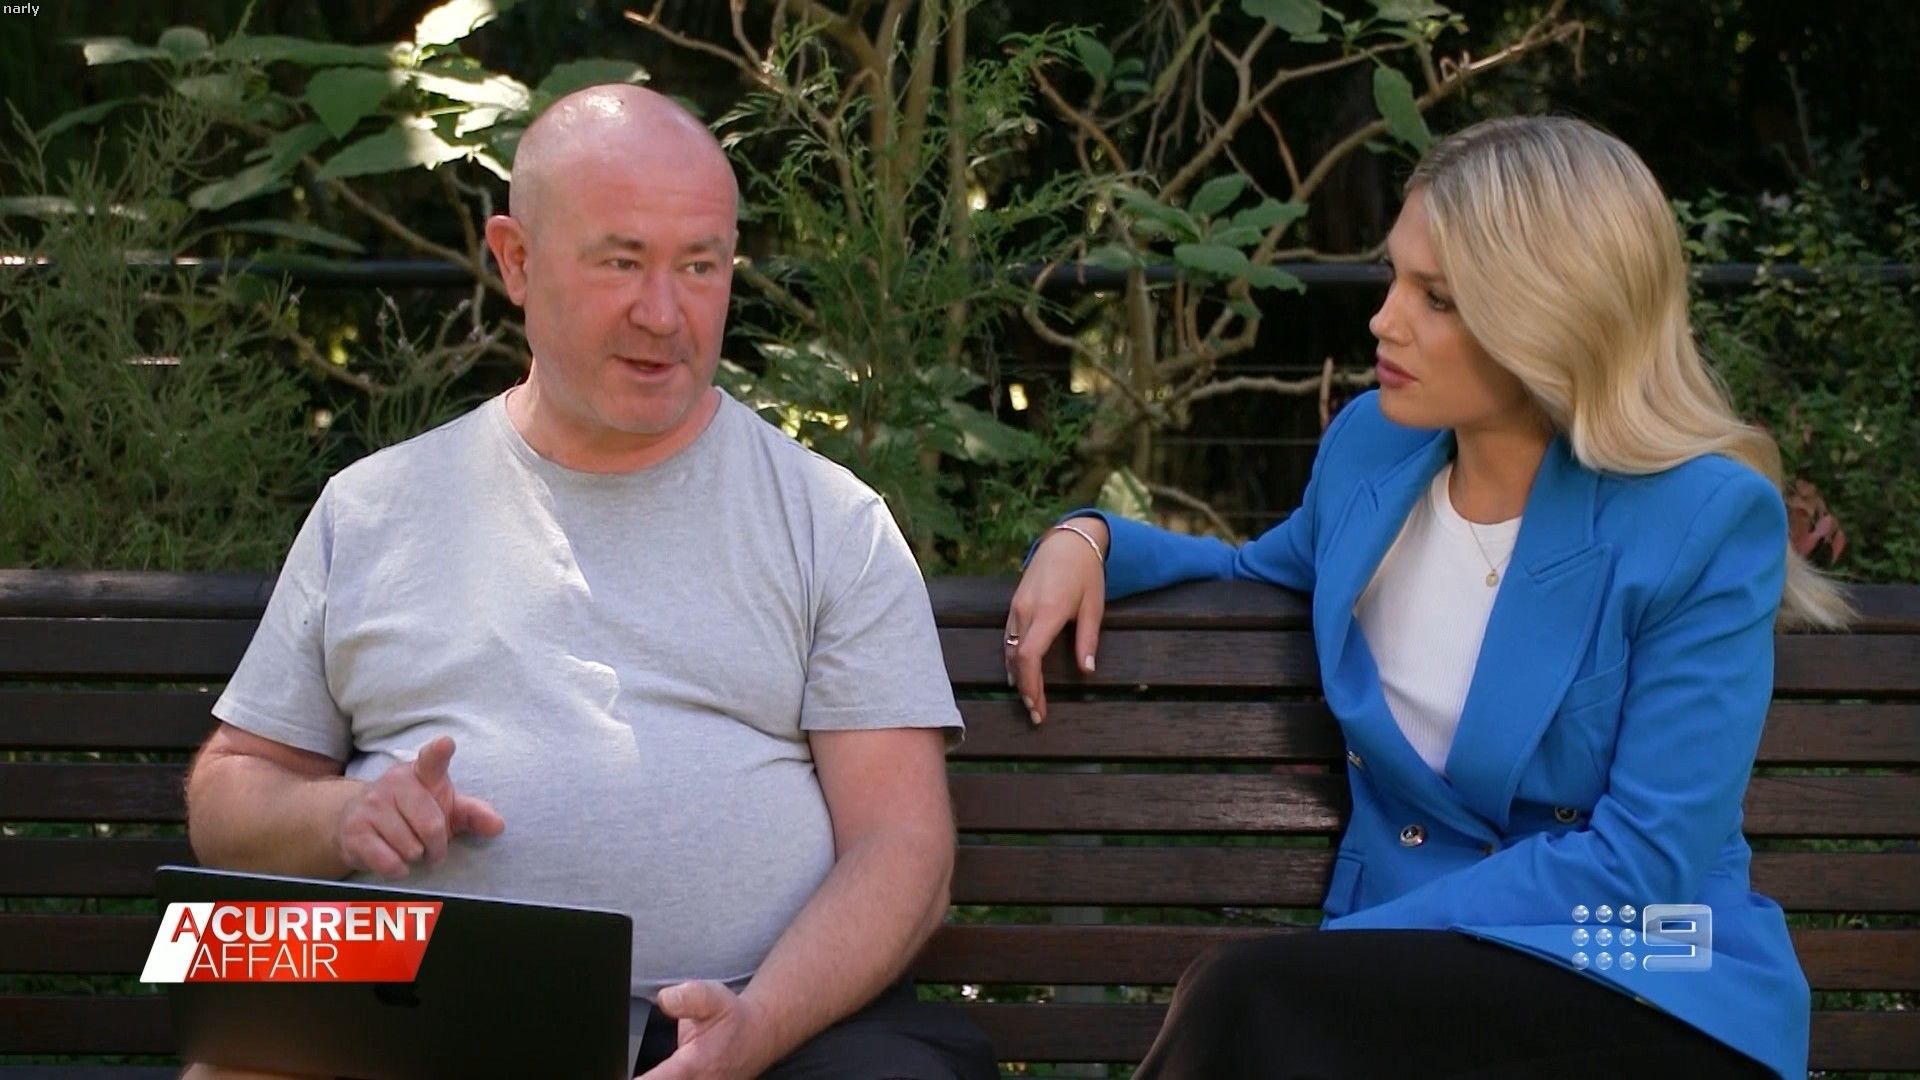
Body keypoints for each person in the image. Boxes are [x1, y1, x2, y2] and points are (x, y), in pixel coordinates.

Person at [1005, 116, 1851, 1080]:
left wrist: (1364, 945)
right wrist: (1090, 537)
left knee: (1248, 999)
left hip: (1648, 963)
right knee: (1258, 1009)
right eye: (1394, 278)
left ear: (1552, 317)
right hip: (1408, 990)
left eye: (1437, 297)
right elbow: (1254, 572)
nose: (1384, 320)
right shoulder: (1372, 448)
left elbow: (1643, 863)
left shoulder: (1702, 518)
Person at [182, 84, 995, 1080]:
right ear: (516, 260)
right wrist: (339, 817)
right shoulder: (374, 508)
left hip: (752, 1019)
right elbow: (227, 797)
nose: (664, 313)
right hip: (415, 997)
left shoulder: (830, 520)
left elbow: (905, 850)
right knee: (243, 1027)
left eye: (699, 266)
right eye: (621, 262)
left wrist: (756, 1029)